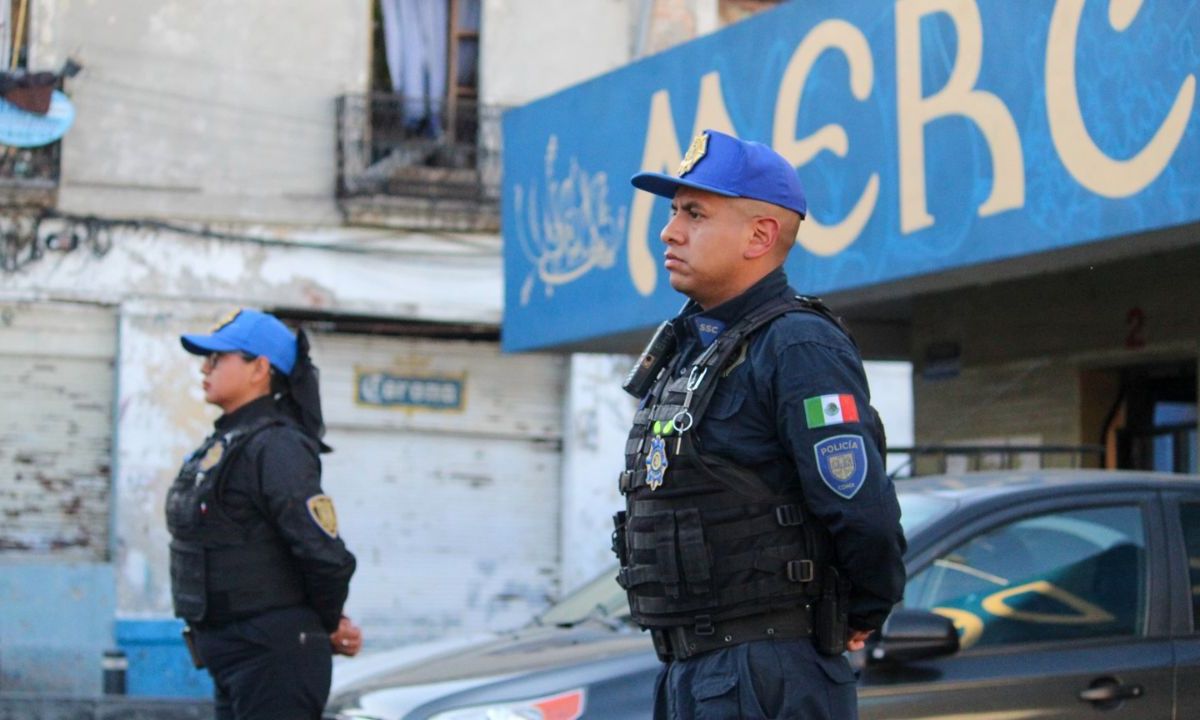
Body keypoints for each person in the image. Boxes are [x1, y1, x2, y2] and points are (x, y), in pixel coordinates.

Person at [613, 130, 906, 719]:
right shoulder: (691, 348)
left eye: (695, 213)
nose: (670, 232)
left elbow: (859, 508)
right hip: (690, 667)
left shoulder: (797, 344)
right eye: (674, 212)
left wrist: (864, 610)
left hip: (768, 670)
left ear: (760, 235)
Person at [165, 308, 361, 720]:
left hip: (273, 658)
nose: (206, 368)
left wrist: (326, 623)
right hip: (235, 654)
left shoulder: (278, 447)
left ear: (260, 369)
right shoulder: (229, 441)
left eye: (218, 358)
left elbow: (325, 555)